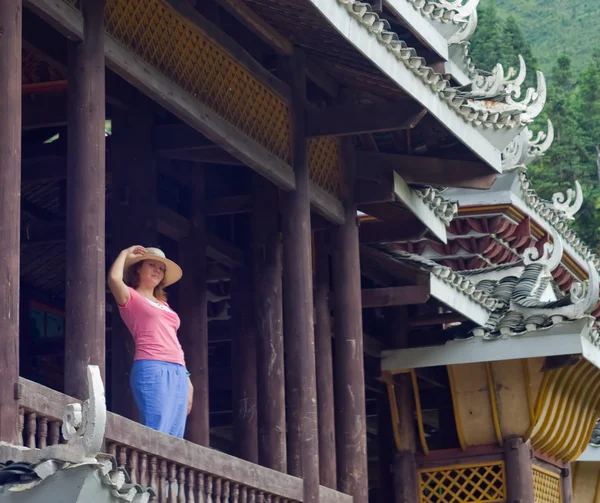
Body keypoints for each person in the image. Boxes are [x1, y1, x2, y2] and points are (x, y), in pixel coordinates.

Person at [108, 245, 193, 438]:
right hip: (152, 365)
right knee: (157, 427)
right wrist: (124, 254)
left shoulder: (164, 304)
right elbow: (114, 279)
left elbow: (173, 341)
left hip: (178, 370)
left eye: (161, 268)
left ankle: (165, 470)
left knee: (175, 433)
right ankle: (148, 469)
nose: (157, 270)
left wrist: (187, 378)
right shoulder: (131, 296)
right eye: (152, 265)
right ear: (138, 268)